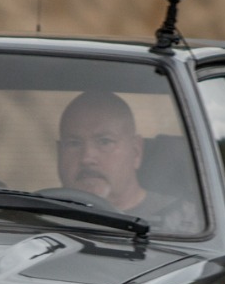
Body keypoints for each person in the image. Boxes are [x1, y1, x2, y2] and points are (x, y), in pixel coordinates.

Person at [56, 90, 197, 231]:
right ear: (59, 153)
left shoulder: (186, 223)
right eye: (73, 143)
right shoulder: (38, 218)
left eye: (105, 142)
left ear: (136, 151)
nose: (87, 158)